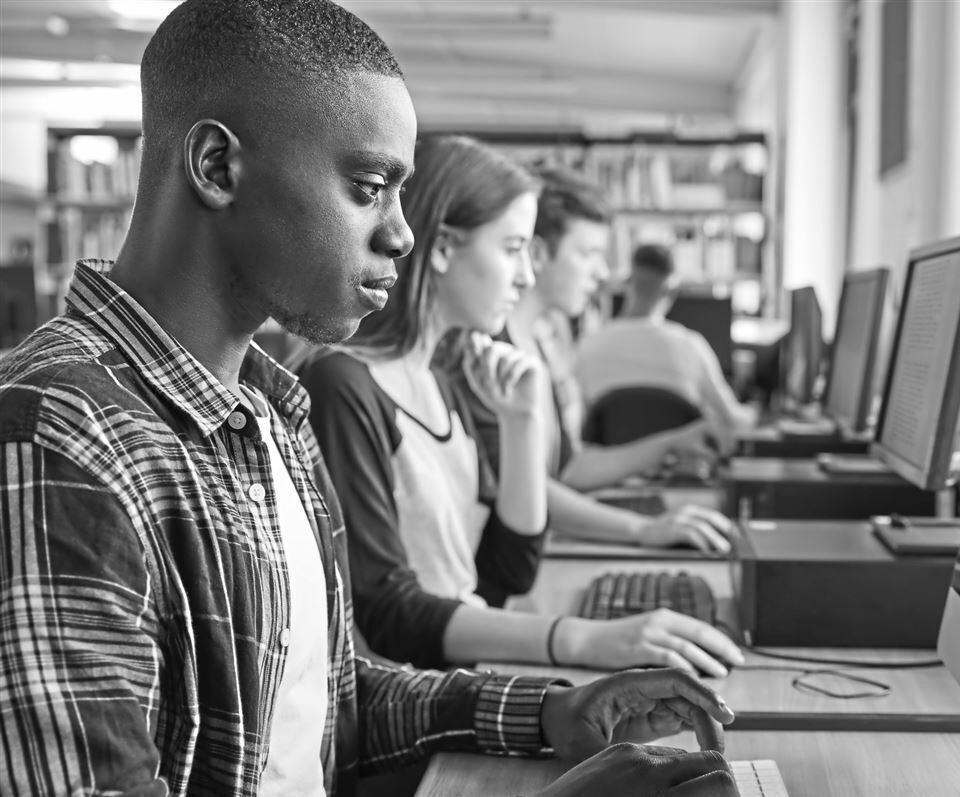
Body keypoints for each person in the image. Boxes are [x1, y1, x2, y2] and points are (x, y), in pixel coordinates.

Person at [0, 3, 740, 795]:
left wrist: (549, 711)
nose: (404, 234)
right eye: (368, 186)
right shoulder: (59, 430)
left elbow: (326, 699)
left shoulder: (271, 409)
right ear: (217, 166)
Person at [296, 135, 743, 678]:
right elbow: (389, 612)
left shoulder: (447, 376)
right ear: (441, 249)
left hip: (459, 679)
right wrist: (581, 640)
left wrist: (523, 420)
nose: (526, 276)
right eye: (512, 250)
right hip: (403, 708)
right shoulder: (342, 383)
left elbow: (508, 571)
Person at [442, 166, 739, 553]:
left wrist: (671, 443)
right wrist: (642, 529)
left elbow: (569, 470)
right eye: (588, 254)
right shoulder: (487, 351)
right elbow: (524, 484)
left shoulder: (540, 343)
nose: (602, 273)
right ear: (539, 253)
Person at [576, 242, 757, 440]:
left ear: (628, 282)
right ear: (671, 290)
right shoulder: (691, 347)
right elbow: (732, 419)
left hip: (607, 469)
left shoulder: (587, 347)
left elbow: (577, 421)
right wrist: (754, 413)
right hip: (677, 467)